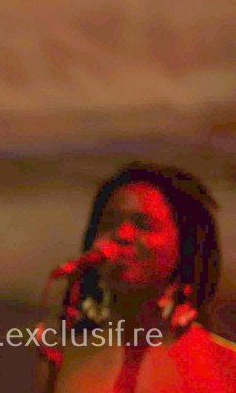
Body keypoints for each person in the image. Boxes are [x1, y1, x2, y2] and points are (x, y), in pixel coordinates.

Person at [44, 162, 236, 392]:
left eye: (144, 224)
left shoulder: (227, 366)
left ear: (187, 245)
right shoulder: (62, 360)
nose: (122, 234)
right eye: (108, 224)